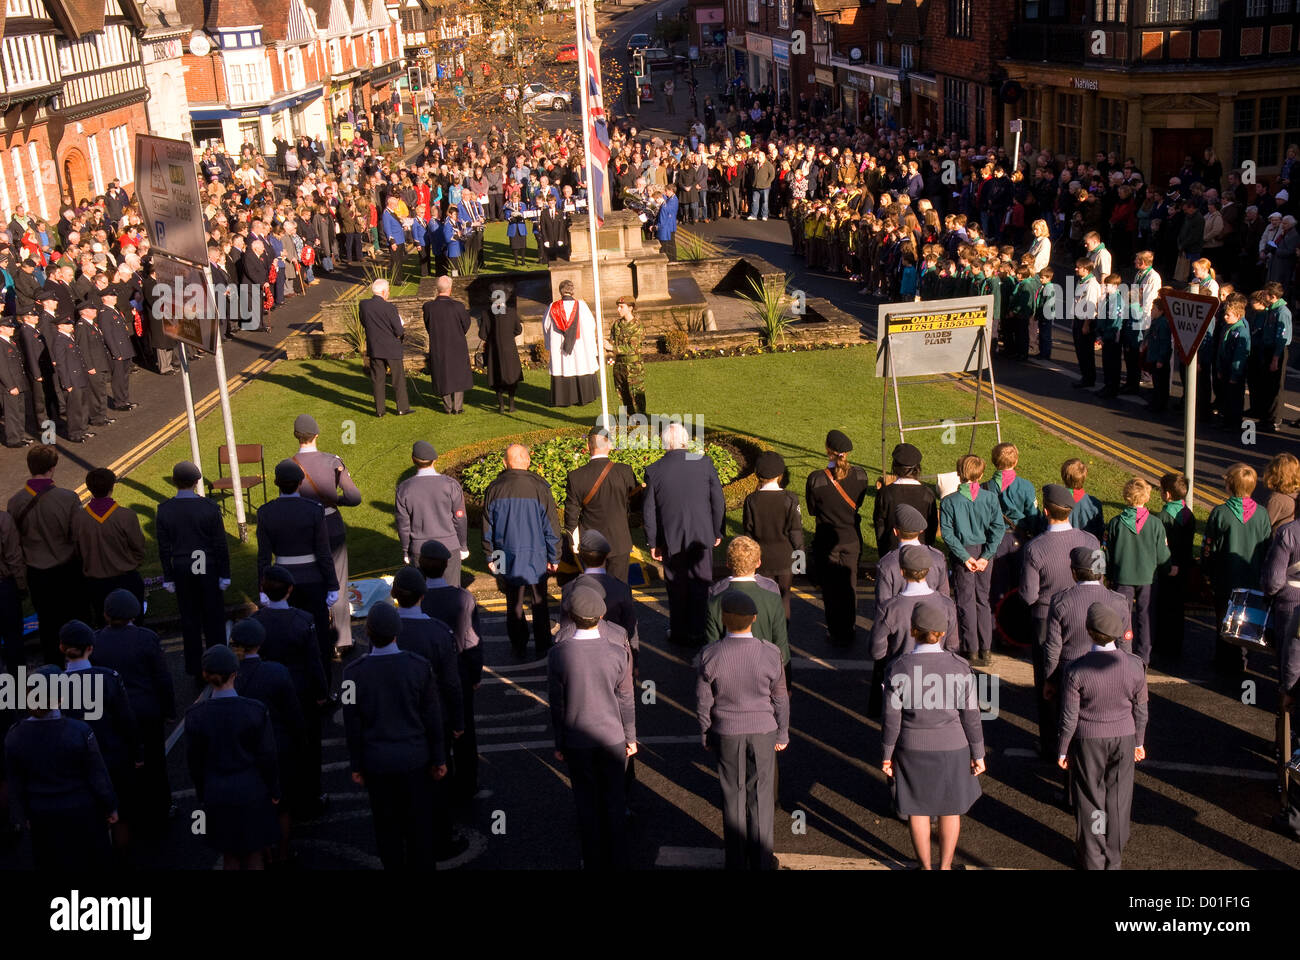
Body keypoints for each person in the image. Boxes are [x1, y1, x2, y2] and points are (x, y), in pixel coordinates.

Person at [881, 602, 985, 871]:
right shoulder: (960, 667)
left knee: (917, 809)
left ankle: (925, 867)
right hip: (953, 747)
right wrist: (979, 753)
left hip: (911, 746)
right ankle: (946, 866)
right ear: (942, 632)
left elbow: (892, 720)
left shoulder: (899, 668)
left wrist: (887, 755)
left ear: (913, 630)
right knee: (950, 809)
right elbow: (971, 716)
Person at [343, 602, 447, 870]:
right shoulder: (419, 667)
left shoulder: (351, 674)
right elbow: (433, 719)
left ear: (367, 633)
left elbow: (351, 724)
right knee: (419, 831)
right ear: (397, 632)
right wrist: (439, 758)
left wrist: (356, 765)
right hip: (415, 761)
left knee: (387, 831)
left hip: (377, 764)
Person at [696, 589, 789, 870]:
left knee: (732, 794)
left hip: (726, 730)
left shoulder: (710, 654)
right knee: (760, 794)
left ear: (724, 619)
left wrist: (706, 732)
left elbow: (703, 701)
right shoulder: (771, 653)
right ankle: (762, 859)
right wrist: (782, 733)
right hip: (763, 730)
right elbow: (780, 698)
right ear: (754, 619)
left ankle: (735, 860)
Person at [547, 585, 636, 870]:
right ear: (601, 615)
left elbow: (557, 704)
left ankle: (593, 859)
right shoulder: (617, 652)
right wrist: (631, 737)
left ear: (572, 615)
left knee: (586, 803)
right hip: (612, 737)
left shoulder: (559, 653)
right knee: (614, 800)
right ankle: (619, 858)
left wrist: (559, 743)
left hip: (576, 739)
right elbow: (626, 700)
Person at [1058, 603, 1148, 870]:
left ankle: (1093, 859)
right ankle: (1113, 859)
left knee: (1091, 800)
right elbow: (1141, 709)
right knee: (1119, 800)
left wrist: (1063, 749)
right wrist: (1139, 742)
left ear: (1089, 631)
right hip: (1124, 736)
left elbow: (1068, 717)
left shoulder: (1076, 670)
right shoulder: (1135, 666)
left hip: (1088, 740)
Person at [3, 664, 118, 870]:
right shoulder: (79, 730)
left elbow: (15, 783)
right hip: (83, 811)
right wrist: (110, 806)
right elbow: (98, 776)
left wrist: (21, 816)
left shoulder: (14, 735)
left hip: (42, 816)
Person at [389, 565, 466, 859]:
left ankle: (409, 838)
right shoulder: (438, 631)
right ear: (423, 595)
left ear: (395, 595)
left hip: (397, 720)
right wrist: (458, 722)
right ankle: (441, 838)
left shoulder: (386, 628)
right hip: (436, 719)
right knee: (438, 777)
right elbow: (451, 683)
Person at [1020, 484, 1101, 758]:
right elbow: (1101, 580)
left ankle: (1051, 745)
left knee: (1048, 681)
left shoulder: (1035, 548)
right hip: (1086, 616)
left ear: (1045, 511)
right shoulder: (1091, 541)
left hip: (1045, 619)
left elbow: (1029, 595)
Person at [185, 644, 282, 871]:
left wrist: (202, 792)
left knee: (230, 855)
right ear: (235, 674)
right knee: (254, 852)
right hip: (252, 791)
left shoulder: (195, 715)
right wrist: (275, 789)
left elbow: (194, 762)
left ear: (205, 675)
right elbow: (268, 756)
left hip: (217, 792)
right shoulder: (255, 710)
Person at [251, 565, 326, 819]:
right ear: (290, 590)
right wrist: (321, 692)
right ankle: (310, 796)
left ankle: (278, 796)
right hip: (300, 691)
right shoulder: (304, 620)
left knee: (272, 744)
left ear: (263, 589)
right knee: (307, 744)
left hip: (266, 693)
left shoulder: (256, 621)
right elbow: (313, 662)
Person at [230, 618, 304, 866]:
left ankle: (265, 854)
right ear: (260, 644)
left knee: (255, 808)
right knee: (282, 807)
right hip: (277, 747)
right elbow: (293, 715)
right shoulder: (276, 671)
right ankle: (282, 854)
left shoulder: (229, 675)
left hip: (241, 753)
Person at [645, 422, 725, 647]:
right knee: (702, 584)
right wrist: (717, 529)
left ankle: (680, 631)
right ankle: (700, 631)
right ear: (685, 441)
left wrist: (653, 541)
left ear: (664, 443)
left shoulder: (655, 469)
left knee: (677, 587)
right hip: (702, 534)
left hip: (672, 538)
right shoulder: (703, 462)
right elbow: (718, 500)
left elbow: (649, 510)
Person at [418, 539, 484, 808]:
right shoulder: (463, 597)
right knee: (464, 731)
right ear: (447, 565)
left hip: (424, 678)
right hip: (458, 673)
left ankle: (437, 779)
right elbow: (472, 641)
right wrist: (476, 674)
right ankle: (467, 785)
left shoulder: (416, 598)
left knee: (432, 730)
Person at [256, 460, 338, 671]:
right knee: (318, 634)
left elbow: (264, 556)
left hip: (281, 581)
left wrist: (262, 587)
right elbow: (323, 552)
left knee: (286, 634)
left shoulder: (266, 512)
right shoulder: (313, 510)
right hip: (313, 580)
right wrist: (332, 584)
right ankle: (323, 687)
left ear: (276, 483)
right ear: (300, 483)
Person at [8, 444, 86, 664]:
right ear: (52, 468)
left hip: (36, 574)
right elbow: (77, 536)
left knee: (47, 624)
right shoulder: (68, 498)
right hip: (67, 570)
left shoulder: (15, 502)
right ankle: (80, 666)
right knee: (74, 620)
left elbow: (15, 542)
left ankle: (53, 670)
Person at [482, 443, 561, 657]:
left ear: (505, 463)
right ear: (527, 461)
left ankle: (518, 644)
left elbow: (488, 528)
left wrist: (491, 556)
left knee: (513, 602)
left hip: (505, 555)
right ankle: (543, 644)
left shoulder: (494, 488)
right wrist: (555, 556)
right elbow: (551, 526)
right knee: (539, 600)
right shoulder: (540, 487)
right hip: (537, 554)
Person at [291, 414, 362, 652]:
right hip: (331, 524)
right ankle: (342, 640)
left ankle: (317, 635)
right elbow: (354, 497)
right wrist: (336, 500)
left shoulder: (289, 465)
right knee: (339, 582)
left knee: (313, 582)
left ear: (296, 436)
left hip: (303, 529)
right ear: (317, 435)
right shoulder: (333, 461)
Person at [1203, 463, 1272, 676]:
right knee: (1246, 619)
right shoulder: (1261, 514)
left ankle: (1223, 659)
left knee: (1223, 618)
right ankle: (1242, 659)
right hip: (1251, 578)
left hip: (1225, 577)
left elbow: (1209, 547)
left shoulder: (1220, 512)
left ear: (1230, 485)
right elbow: (1267, 547)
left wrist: (1207, 571)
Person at [940, 454, 1006, 665]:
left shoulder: (949, 501)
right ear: (981, 474)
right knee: (983, 600)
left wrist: (965, 557)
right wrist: (987, 555)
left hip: (963, 554)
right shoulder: (990, 498)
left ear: (959, 473)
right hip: (985, 552)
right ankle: (986, 649)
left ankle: (971, 649)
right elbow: (998, 528)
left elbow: (948, 534)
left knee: (965, 601)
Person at [805, 429, 870, 647]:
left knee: (831, 588)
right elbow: (858, 502)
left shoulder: (816, 479)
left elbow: (812, 510)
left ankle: (835, 630)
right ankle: (849, 627)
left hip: (827, 540)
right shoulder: (861, 475)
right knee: (850, 585)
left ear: (828, 450)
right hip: (852, 537)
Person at [1104, 477, 1170, 666]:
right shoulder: (1156, 524)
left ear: (1126, 497)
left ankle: (1123, 649)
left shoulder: (1115, 523)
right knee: (1146, 616)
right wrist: (1167, 569)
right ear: (1147, 497)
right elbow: (1162, 553)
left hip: (1122, 576)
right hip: (1148, 577)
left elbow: (1108, 552)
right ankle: (1144, 655)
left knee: (1122, 615)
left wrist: (1108, 575)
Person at [563, 427, 641, 583]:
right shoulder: (624, 471)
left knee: (596, 589)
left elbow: (571, 513)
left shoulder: (576, 476)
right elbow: (636, 503)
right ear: (610, 445)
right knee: (619, 588)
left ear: (587, 447)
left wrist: (573, 540)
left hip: (591, 544)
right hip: (619, 540)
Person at [74, 467, 146, 627]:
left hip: (96, 584)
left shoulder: (78, 519)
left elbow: (77, 552)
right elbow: (139, 547)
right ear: (112, 487)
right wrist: (132, 563)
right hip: (126, 579)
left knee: (103, 627)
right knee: (135, 624)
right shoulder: (126, 515)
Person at [396, 440, 470, 583]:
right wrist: (463, 546)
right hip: (450, 547)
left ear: (413, 460)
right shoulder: (450, 485)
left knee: (425, 596)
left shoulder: (404, 489)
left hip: (419, 550)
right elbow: (460, 518)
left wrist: (406, 550)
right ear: (435, 460)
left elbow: (403, 524)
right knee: (451, 592)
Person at [742, 450, 803, 619]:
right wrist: (801, 561)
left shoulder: (751, 500)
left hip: (761, 560)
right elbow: (796, 532)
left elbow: (748, 533)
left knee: (762, 601)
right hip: (786, 560)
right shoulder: (790, 498)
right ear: (780, 474)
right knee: (784, 600)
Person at [874, 504, 949, 610]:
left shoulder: (887, 563)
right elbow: (944, 597)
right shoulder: (938, 558)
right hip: (932, 622)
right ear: (921, 531)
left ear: (895, 531)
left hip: (899, 622)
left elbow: (882, 605)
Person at [1155, 473, 1195, 659]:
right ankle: (1176, 646)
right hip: (1184, 566)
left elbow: (1161, 544)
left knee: (1164, 608)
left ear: (1168, 494)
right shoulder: (1188, 514)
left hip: (1166, 566)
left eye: (1161, 490)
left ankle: (1163, 645)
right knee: (1178, 609)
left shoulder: (1163, 516)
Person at [872, 442, 938, 555]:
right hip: (921, 554)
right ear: (917, 468)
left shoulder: (885, 493)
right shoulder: (928, 494)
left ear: (894, 467)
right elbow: (932, 527)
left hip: (891, 553)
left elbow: (879, 525)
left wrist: (883, 552)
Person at [542, 279, 600, 407]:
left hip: (560, 347)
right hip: (580, 346)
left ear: (560, 291)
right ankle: (584, 397)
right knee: (580, 365)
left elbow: (546, 326)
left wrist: (549, 342)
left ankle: (564, 399)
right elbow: (591, 325)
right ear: (572, 291)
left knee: (563, 367)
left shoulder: (553, 307)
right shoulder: (582, 306)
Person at [359, 278, 411, 417]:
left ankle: (380, 410)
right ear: (383, 292)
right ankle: (402, 408)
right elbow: (399, 331)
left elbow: (364, 322)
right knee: (398, 379)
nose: (388, 293)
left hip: (375, 347)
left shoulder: (364, 305)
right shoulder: (390, 308)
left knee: (378, 380)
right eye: (387, 291)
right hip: (391, 348)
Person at [423, 276, 474, 415]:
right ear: (450, 289)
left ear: (437, 289)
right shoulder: (458, 306)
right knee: (458, 373)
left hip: (439, 345)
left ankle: (447, 406)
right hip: (456, 343)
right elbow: (466, 324)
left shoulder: (428, 307)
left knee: (442, 374)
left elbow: (428, 325)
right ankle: (457, 407)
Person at [479, 280, 523, 413]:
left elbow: (482, 334)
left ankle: (501, 405)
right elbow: (518, 330)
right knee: (511, 376)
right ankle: (511, 405)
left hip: (494, 350)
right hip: (509, 348)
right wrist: (508, 336)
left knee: (497, 376)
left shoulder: (486, 314)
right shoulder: (511, 312)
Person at [609, 296, 646, 415]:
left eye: (621, 307)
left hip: (633, 367)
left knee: (636, 397)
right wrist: (606, 346)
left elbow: (633, 348)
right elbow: (612, 342)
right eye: (618, 307)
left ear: (630, 308)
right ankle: (630, 424)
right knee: (623, 396)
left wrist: (613, 348)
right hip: (619, 366)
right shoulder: (616, 325)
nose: (618, 309)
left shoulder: (637, 326)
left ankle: (642, 425)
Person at [656, 184, 679, 261]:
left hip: (670, 225)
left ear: (671, 191)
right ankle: (671, 259)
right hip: (668, 225)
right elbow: (663, 197)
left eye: (666, 191)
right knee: (669, 244)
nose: (665, 193)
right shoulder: (670, 198)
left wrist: (663, 203)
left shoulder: (674, 200)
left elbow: (668, 209)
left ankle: (673, 260)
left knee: (671, 245)